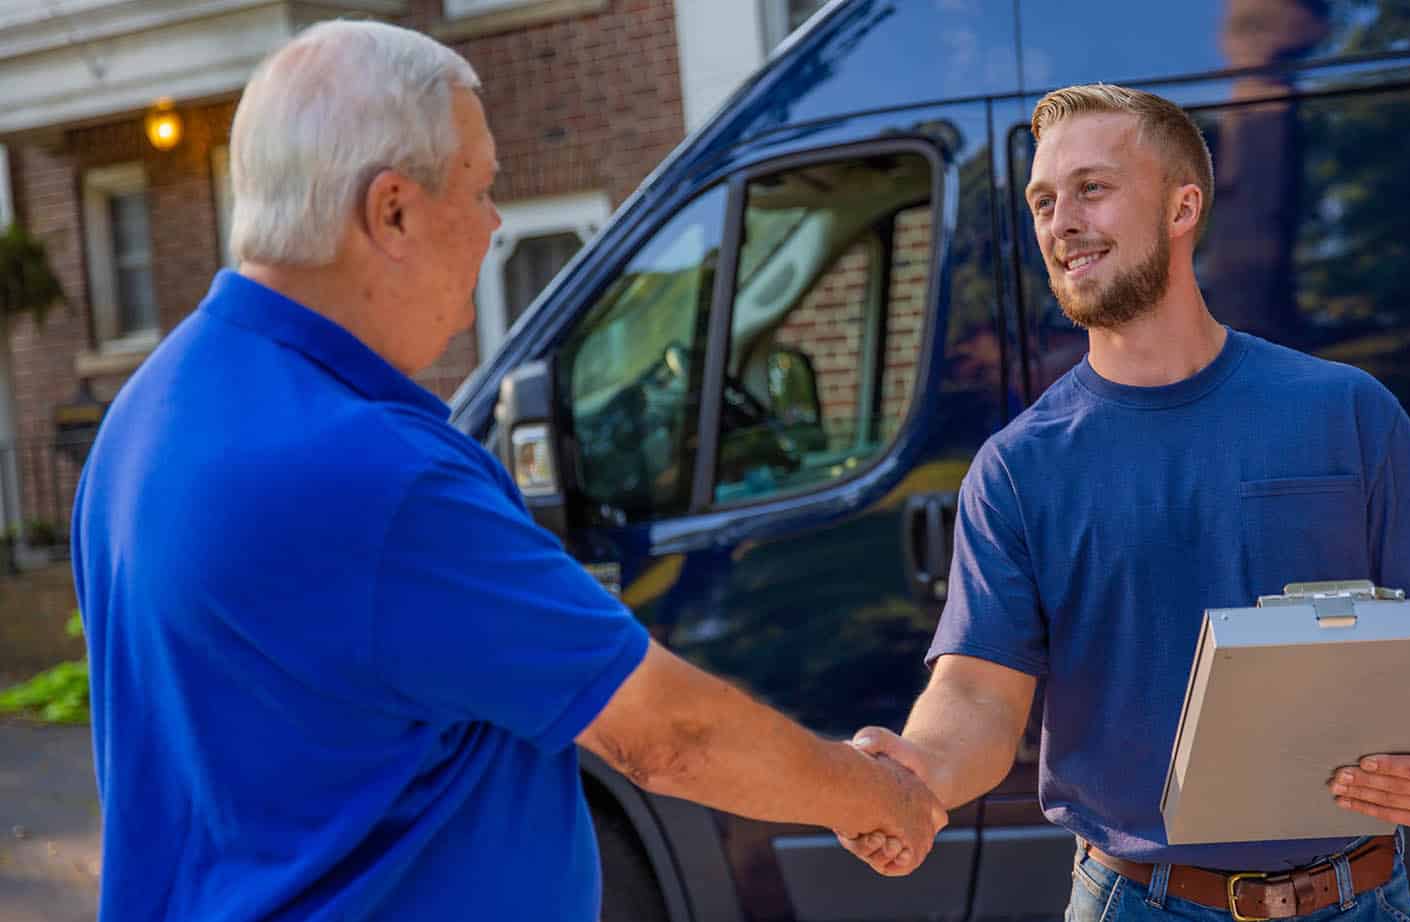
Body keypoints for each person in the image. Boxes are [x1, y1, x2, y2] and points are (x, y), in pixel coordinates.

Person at [70, 20, 941, 922]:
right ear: (394, 209)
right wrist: (877, 798)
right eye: (482, 188)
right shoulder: (376, 476)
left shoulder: (145, 417)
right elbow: (664, 734)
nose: (493, 227)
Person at [840, 84, 1410, 920]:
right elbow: (979, 694)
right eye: (1044, 201)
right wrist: (915, 772)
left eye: (1092, 188)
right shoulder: (1019, 469)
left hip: (1362, 897)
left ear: (1182, 205)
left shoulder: (1343, 410)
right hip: (1137, 903)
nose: (1060, 222)